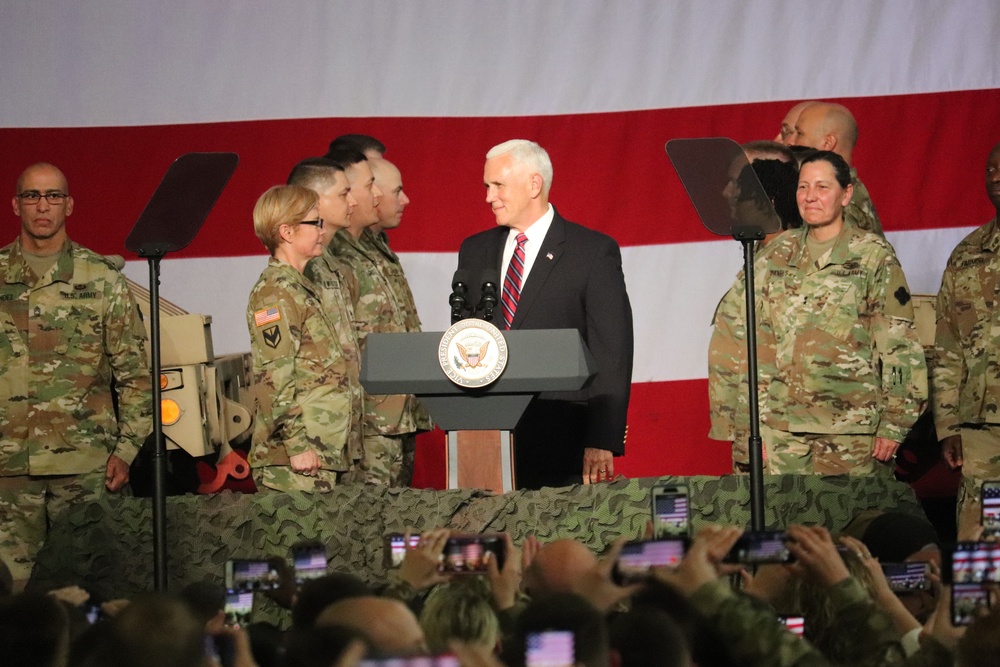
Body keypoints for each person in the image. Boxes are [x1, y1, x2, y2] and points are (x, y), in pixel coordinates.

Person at [0, 163, 151, 589]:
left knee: (90, 591)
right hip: (8, 471)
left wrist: (127, 448)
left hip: (85, 467)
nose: (42, 206)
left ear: (69, 205)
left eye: (52, 196)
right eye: (32, 196)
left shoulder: (101, 279)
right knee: (9, 595)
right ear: (16, 205)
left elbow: (136, 375)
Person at [456, 139, 634, 489]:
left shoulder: (592, 252)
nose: (489, 197)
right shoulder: (475, 250)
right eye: (487, 186)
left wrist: (602, 438)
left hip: (562, 439)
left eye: (498, 185)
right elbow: (464, 337)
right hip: (486, 437)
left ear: (533, 184)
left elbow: (611, 351)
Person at [755, 151, 926, 475]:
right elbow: (762, 343)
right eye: (803, 187)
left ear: (845, 194)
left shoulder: (872, 254)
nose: (810, 197)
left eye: (822, 187)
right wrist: (759, 424)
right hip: (784, 429)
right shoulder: (777, 253)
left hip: (851, 429)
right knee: (791, 524)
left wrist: (895, 423)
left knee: (851, 523)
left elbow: (899, 345)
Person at [324, 150, 431, 487]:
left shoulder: (373, 244)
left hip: (396, 410)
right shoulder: (329, 251)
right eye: (370, 184)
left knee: (398, 521)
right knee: (368, 522)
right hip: (367, 417)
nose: (377, 195)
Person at [246, 185, 359, 492]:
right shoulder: (276, 294)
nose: (322, 231)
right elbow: (273, 379)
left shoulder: (299, 288)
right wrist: (296, 445)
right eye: (315, 223)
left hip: (320, 455)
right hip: (294, 463)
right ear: (287, 232)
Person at [708, 153, 801, 472]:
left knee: (784, 520)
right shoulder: (762, 260)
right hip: (754, 427)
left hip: (777, 434)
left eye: (739, 187)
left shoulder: (790, 264)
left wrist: (775, 433)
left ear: (768, 200)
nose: (727, 194)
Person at [931, 141, 1000, 539]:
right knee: (983, 555)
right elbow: (948, 347)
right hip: (981, 435)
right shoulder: (968, 254)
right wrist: (947, 425)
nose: (997, 176)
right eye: (990, 169)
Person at [288, 157, 366, 481]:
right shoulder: (298, 270)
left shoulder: (333, 265)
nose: (354, 201)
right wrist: (295, 443)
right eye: (344, 193)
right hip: (312, 440)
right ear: (317, 202)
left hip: (341, 437)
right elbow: (279, 370)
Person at [781, 101, 884, 235]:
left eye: (799, 133)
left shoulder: (843, 202)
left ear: (827, 143)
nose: (791, 142)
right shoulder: (838, 192)